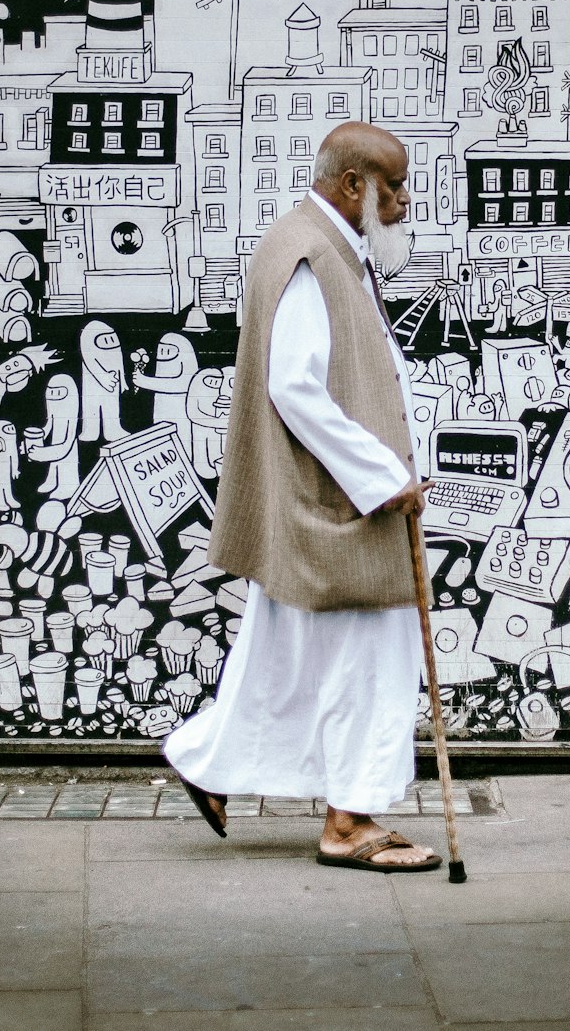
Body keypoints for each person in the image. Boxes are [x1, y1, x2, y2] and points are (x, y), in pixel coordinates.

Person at [164, 122, 440, 872]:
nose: (405, 201)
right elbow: (294, 386)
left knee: (283, 650)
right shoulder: (313, 254)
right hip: (341, 510)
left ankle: (208, 762)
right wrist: (383, 480)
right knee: (371, 659)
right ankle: (348, 825)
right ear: (354, 185)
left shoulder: (318, 246)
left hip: (322, 505)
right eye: (395, 186)